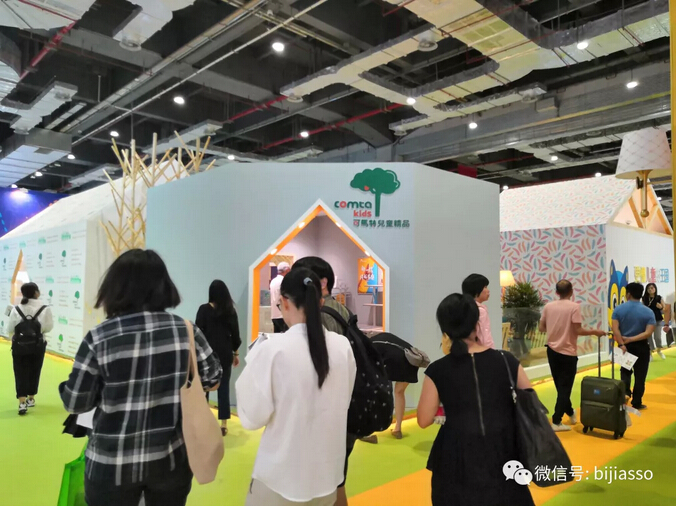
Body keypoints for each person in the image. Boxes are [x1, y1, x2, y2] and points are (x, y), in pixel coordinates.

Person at [59, 249, 222, 506]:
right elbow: (214, 379)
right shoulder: (187, 331)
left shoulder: (99, 338)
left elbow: (75, 403)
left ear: (114, 287)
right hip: (170, 463)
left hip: (110, 467)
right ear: (164, 286)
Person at [236, 268, 356, 506]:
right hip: (326, 480)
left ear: (284, 302)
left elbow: (251, 418)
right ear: (320, 303)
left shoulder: (272, 349)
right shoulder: (343, 347)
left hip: (279, 480)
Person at [418, 293, 534, 506]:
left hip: (455, 454)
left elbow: (424, 419)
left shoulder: (438, 370)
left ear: (445, 329)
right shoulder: (506, 360)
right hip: (504, 450)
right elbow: (531, 403)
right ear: (476, 323)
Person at [292, 256, 374, 506]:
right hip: (341, 412)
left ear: (322, 282)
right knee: (336, 482)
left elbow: (322, 367)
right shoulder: (339, 310)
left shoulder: (323, 315)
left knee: (325, 484)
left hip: (329, 416)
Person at [539, 280, 606, 432]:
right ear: (571, 292)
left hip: (552, 351)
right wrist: (595, 332)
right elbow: (578, 330)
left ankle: (570, 412)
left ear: (556, 292)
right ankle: (556, 420)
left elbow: (541, 328)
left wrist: (554, 327)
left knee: (560, 386)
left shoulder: (548, 306)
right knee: (565, 388)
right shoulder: (574, 307)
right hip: (568, 352)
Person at [196, 280, 242, 436]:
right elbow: (235, 336)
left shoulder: (203, 310)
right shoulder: (230, 311)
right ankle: (223, 424)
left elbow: (198, 333)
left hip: (207, 355)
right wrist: (235, 354)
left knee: (204, 388)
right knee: (224, 388)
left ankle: (204, 421)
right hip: (225, 354)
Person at [7, 282, 53, 415]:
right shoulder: (45, 309)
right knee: (35, 370)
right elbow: (48, 327)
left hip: (19, 346)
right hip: (38, 344)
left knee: (20, 372)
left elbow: (10, 328)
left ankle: (22, 402)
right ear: (36, 293)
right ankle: (31, 398)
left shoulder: (16, 309)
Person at [612, 282, 655, 410]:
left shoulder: (618, 309)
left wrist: (622, 343)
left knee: (625, 372)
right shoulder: (648, 312)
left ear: (628, 294)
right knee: (640, 376)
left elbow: (615, 329)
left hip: (624, 346)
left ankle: (625, 394)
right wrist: (633, 338)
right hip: (642, 346)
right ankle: (637, 401)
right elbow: (648, 332)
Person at [370, 333, 420, 439]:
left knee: (375, 390)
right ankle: (398, 428)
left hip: (401, 359)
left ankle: (371, 427)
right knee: (399, 392)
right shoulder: (382, 337)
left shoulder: (370, 344)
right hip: (412, 360)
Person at [461, 273, 495, 348]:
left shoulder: (463, 307)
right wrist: (491, 351)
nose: (488, 291)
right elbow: (485, 336)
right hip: (481, 350)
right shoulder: (480, 311)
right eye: (485, 287)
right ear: (476, 291)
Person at [642, 283, 666, 360]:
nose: (650, 289)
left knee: (657, 337)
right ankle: (650, 353)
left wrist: (661, 307)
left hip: (658, 320)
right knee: (648, 337)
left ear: (655, 289)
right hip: (648, 320)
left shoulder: (659, 298)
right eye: (648, 288)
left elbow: (665, 309)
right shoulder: (644, 298)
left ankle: (659, 350)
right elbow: (641, 309)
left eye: (652, 288)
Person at [270, 262, 291, 332]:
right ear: (287, 270)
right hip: (283, 316)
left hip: (274, 315)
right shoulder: (284, 281)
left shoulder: (273, 281)